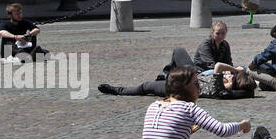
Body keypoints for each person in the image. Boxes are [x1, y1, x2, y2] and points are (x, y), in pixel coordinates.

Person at [101, 48, 255, 99]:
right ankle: (168, 72)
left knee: (146, 87)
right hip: (192, 73)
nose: (229, 74)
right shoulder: (227, 89)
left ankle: (117, 90)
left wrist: (236, 70)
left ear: (230, 83)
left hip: (180, 86)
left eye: (231, 77)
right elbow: (248, 91)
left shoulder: (220, 86)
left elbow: (219, 66)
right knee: (179, 51)